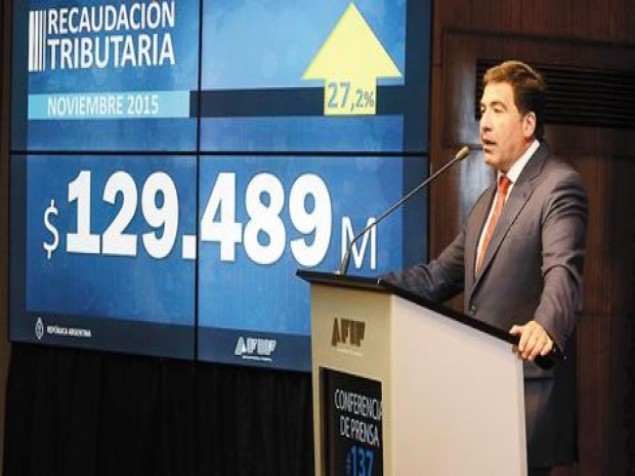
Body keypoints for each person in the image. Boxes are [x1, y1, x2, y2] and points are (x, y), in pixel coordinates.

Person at [381, 60, 588, 474]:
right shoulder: (487, 202)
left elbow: (563, 271)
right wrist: (374, 289)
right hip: (478, 396)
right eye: (482, 110)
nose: (484, 123)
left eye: (497, 109)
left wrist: (546, 326)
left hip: (523, 398)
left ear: (528, 124)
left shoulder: (559, 186)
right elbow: (439, 277)